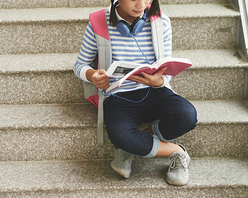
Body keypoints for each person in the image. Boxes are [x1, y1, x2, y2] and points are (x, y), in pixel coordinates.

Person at [74, 0, 197, 186]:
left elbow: (166, 67)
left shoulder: (161, 21)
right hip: (119, 95)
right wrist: (92, 75)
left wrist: (161, 81)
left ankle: (129, 149)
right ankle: (177, 151)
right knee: (121, 135)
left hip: (155, 91)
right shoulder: (98, 22)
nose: (141, 4)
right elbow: (80, 65)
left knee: (187, 115)